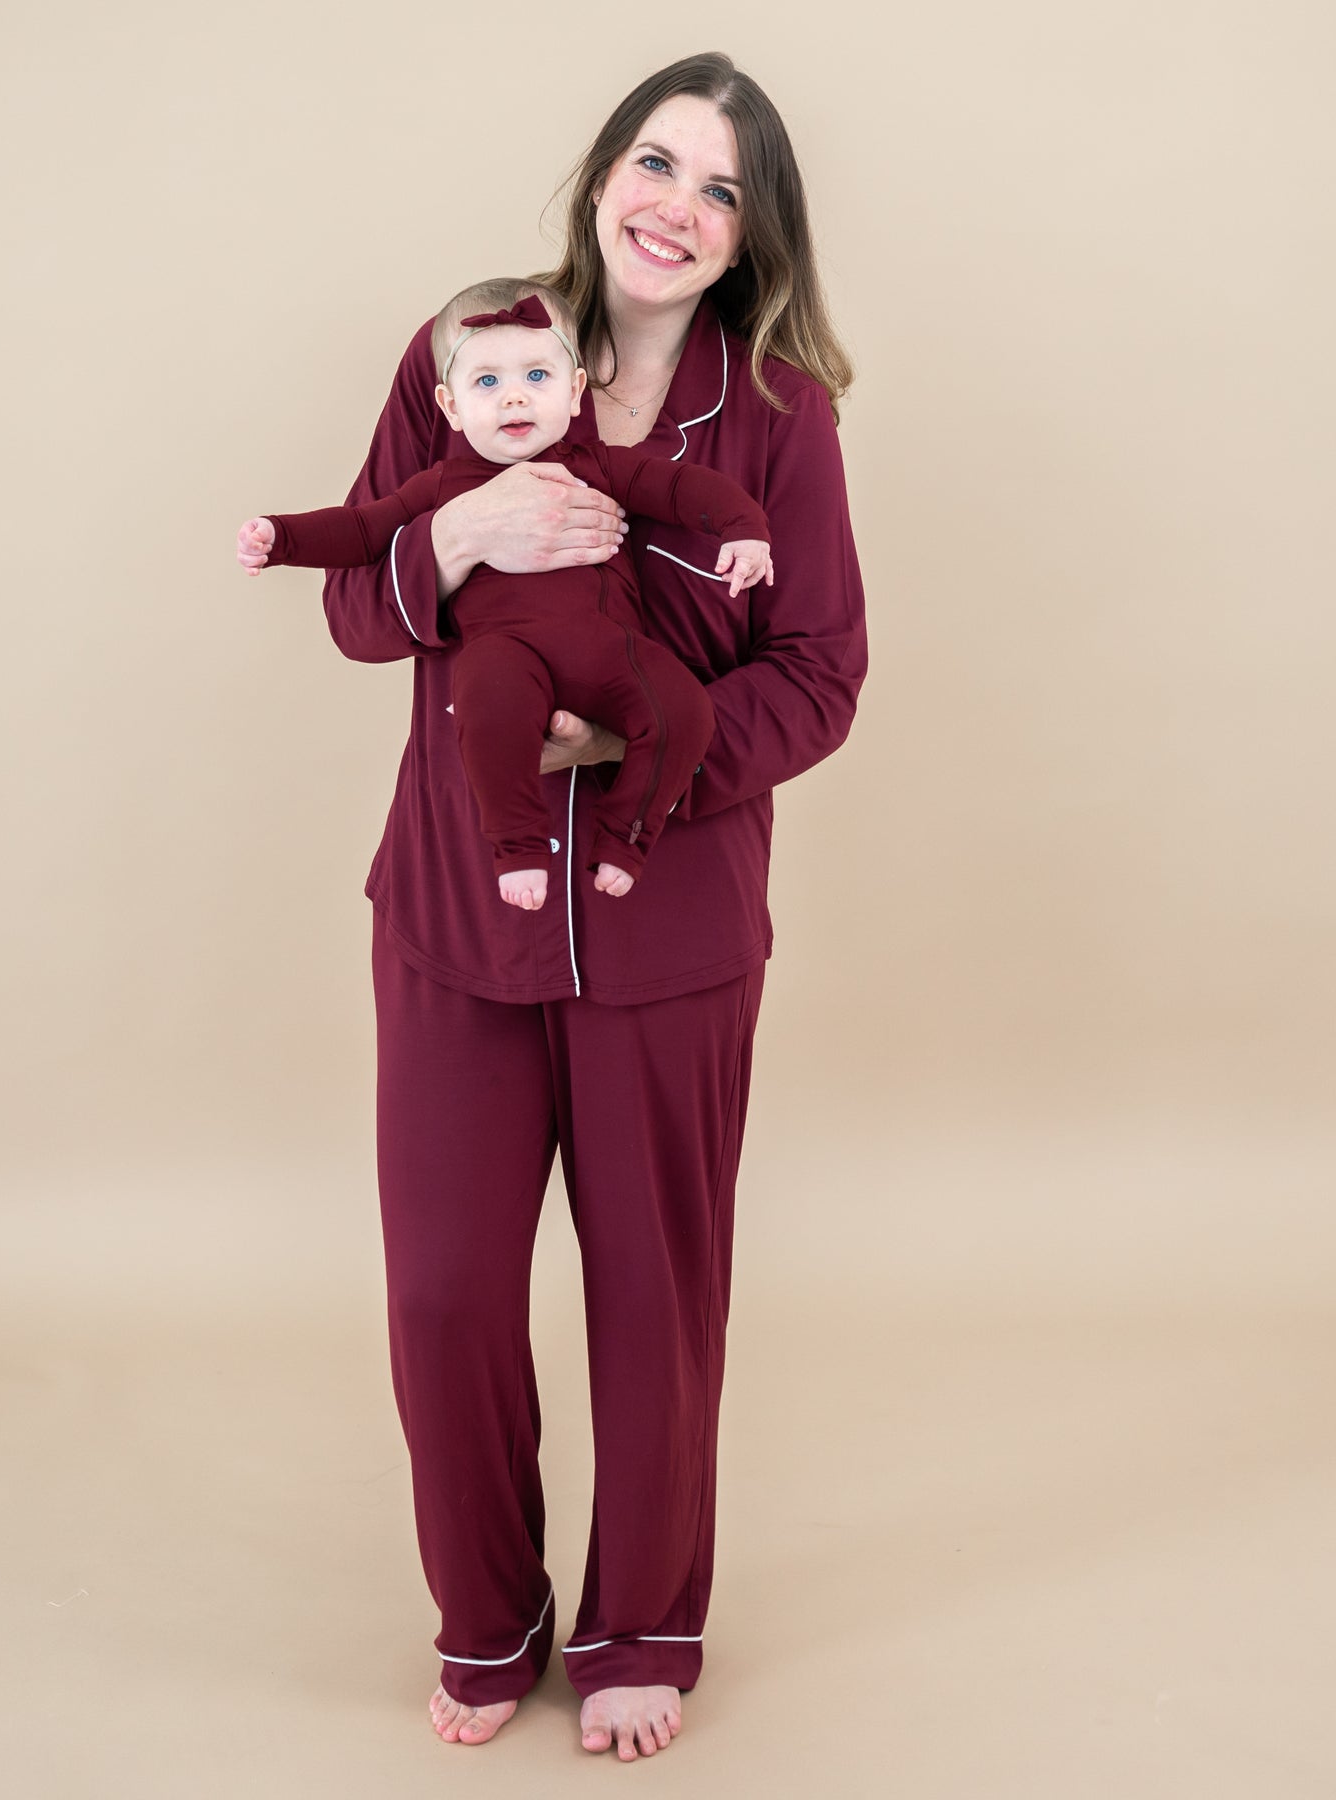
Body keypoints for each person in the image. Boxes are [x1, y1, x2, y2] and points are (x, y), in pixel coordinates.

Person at [315, 52, 866, 1761]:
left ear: (752, 237)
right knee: (446, 1296)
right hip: (456, 920)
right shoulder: (464, 351)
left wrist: (638, 743)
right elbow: (359, 612)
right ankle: (488, 1620)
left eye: (722, 189)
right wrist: (458, 532)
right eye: (657, 163)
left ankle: (641, 1629)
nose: (677, 208)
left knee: (654, 1304)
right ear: (602, 173)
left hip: (670, 928)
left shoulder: (778, 419)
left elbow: (822, 674)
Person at [236, 282, 773, 907]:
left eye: (537, 376)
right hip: (506, 653)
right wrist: (281, 537)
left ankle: (627, 834)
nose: (514, 396)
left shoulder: (599, 465)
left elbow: (684, 489)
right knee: (484, 706)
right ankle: (517, 848)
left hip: (608, 650)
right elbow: (359, 531)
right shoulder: (442, 486)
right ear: (451, 406)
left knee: (686, 710)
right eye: (486, 382)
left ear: (574, 392)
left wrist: (745, 530)